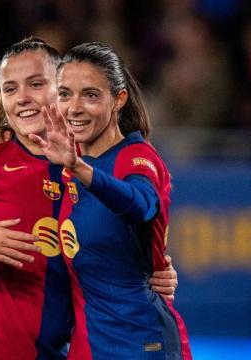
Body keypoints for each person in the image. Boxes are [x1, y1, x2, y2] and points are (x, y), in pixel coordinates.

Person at [0, 38, 179, 360]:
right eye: (10, 89)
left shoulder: (92, 173)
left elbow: (125, 235)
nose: (22, 99)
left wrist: (150, 271)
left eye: (36, 84)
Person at [29, 42, 192, 359]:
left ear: (119, 100)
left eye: (90, 95)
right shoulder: (64, 166)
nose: (74, 107)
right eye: (65, 94)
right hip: (87, 347)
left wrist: (80, 168)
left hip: (143, 344)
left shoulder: (136, 157)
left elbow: (140, 205)